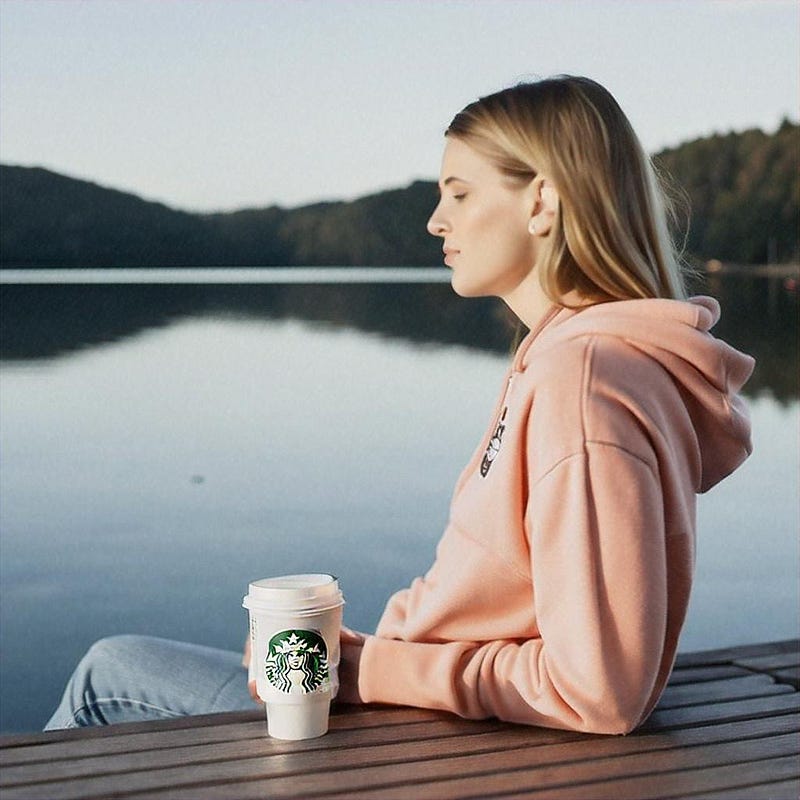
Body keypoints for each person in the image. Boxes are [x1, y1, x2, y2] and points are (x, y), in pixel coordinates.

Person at [45, 75, 754, 734]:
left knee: (110, 674)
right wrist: (370, 651)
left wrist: (370, 670)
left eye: (459, 193)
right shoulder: (569, 358)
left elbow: (600, 689)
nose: (435, 222)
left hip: (439, 733)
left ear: (541, 199)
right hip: (427, 694)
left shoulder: (584, 380)